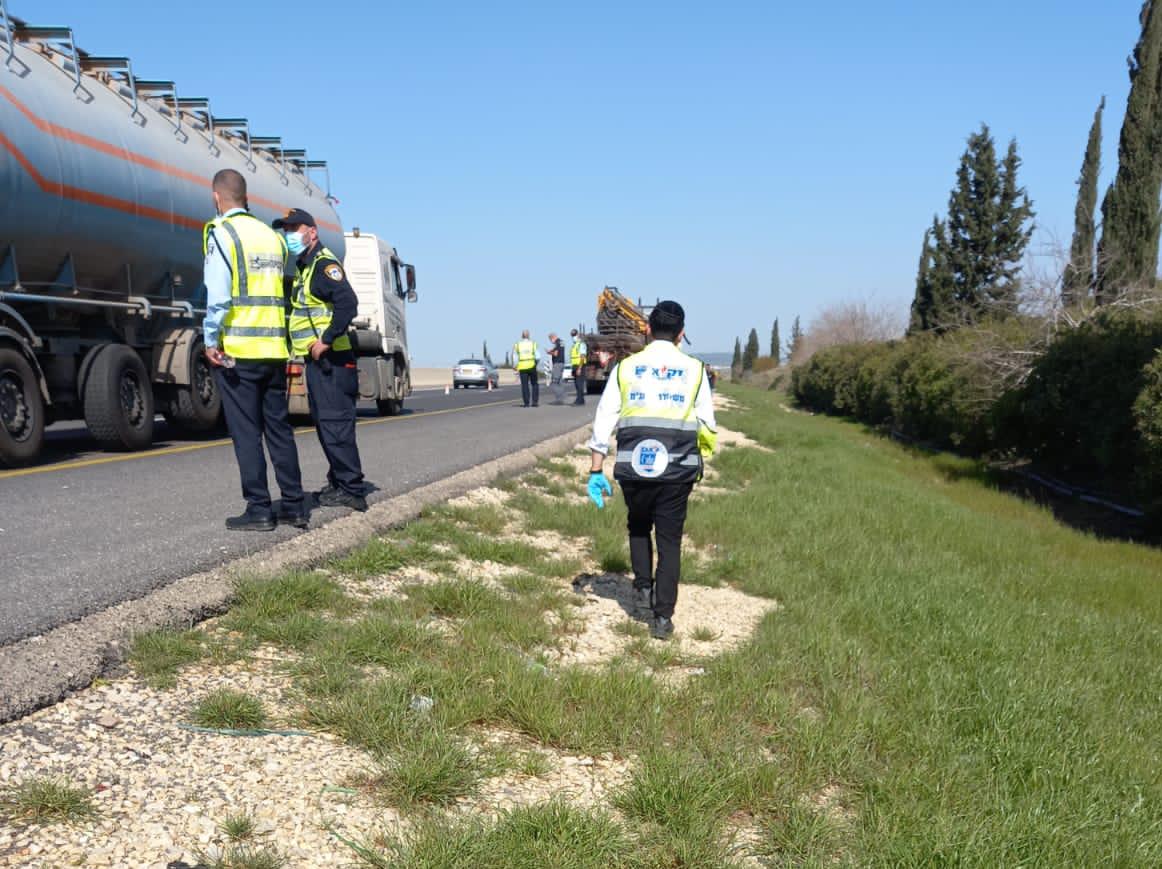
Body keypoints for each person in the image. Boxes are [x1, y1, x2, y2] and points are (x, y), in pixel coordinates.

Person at [585, 300, 716, 640]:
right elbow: (707, 424)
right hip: (678, 470)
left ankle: (643, 589)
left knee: (639, 525)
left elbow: (604, 418)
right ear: (681, 334)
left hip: (633, 466)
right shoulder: (696, 370)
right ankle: (662, 618)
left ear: (646, 329)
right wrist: (697, 454)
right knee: (670, 540)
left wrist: (596, 469)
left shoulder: (626, 368)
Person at [202, 169, 307, 531]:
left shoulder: (222, 233)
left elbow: (218, 297)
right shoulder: (274, 238)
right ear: (246, 197)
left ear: (217, 197)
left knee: (248, 433)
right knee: (279, 429)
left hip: (240, 352)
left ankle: (260, 509)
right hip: (274, 350)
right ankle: (294, 505)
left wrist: (210, 340)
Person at [273, 208, 368, 512]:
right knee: (327, 426)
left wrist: (325, 340)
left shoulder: (324, 265)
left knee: (336, 426)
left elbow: (348, 303)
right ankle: (339, 482)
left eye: (294, 228)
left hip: (334, 361)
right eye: (285, 230)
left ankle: (352, 489)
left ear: (311, 231)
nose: (289, 235)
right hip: (319, 364)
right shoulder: (306, 267)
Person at [513, 330, 539, 407]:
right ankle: (535, 402)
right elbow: (538, 356)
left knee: (524, 385)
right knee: (534, 384)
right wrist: (535, 363)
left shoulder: (517, 344)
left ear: (522, 336)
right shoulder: (533, 343)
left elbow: (515, 356)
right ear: (529, 336)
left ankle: (526, 403)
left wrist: (515, 365)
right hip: (532, 365)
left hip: (522, 366)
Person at [569, 328, 588, 405]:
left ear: (577, 335)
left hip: (580, 366)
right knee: (577, 384)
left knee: (580, 384)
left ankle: (579, 400)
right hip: (574, 366)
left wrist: (579, 368)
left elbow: (582, 356)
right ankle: (581, 400)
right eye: (572, 335)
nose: (573, 336)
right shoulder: (574, 345)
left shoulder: (581, 344)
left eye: (574, 335)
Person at [547, 332, 566, 405]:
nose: (550, 341)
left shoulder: (557, 343)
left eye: (550, 339)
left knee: (554, 382)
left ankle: (560, 398)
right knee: (560, 382)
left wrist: (549, 353)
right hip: (562, 363)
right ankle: (561, 399)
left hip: (557, 364)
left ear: (552, 338)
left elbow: (556, 354)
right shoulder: (561, 342)